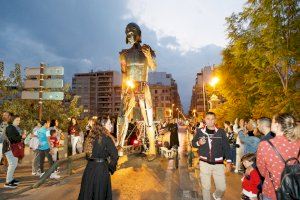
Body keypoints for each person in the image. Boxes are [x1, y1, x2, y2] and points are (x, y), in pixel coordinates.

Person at [257, 113, 300, 200]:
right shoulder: (298, 143)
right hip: (294, 190)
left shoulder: (265, 145)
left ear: (277, 125)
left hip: (272, 190)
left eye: (272, 122)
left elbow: (262, 171)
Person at [192, 112, 232, 200]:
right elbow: (193, 143)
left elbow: (226, 147)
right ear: (205, 120)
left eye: (212, 119)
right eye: (208, 119)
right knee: (206, 187)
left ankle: (216, 195)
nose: (210, 121)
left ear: (215, 120)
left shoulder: (221, 132)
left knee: (222, 188)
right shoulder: (200, 131)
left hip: (218, 163)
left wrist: (229, 162)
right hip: (204, 163)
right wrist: (199, 143)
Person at [78, 121, 118, 200]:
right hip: (101, 168)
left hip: (89, 168)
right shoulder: (106, 138)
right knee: (100, 191)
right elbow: (114, 155)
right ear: (103, 128)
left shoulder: (89, 139)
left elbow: (87, 156)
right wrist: (110, 167)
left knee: (88, 191)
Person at [2, 113, 25, 188]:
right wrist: (22, 136)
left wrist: (21, 137)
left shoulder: (12, 127)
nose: (19, 121)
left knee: (13, 164)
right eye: (17, 120)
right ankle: (8, 182)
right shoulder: (10, 128)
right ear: (13, 120)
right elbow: (13, 139)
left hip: (12, 148)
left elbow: (15, 138)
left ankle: (11, 179)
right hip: (10, 148)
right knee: (12, 164)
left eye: (19, 120)